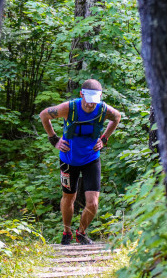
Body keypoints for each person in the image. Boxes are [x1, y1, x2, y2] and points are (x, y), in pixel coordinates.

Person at [39, 79, 122, 245]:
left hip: (91, 158)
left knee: (93, 202)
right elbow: (44, 115)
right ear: (81, 95)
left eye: (94, 102)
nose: (91, 105)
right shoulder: (68, 108)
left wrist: (104, 138)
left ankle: (81, 233)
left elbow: (117, 117)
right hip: (69, 160)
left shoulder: (103, 109)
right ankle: (67, 232)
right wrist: (53, 139)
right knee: (69, 197)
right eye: (88, 101)